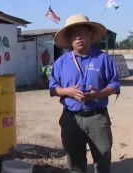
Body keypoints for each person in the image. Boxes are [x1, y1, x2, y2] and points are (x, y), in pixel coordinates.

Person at [49, 14, 120, 173]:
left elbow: (114, 85)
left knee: (103, 159)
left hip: (97, 117)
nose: (78, 37)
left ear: (90, 34)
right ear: (69, 39)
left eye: (82, 32)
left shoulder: (103, 59)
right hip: (71, 118)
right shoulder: (61, 62)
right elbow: (53, 88)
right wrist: (68, 91)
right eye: (74, 34)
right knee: (75, 162)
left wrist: (98, 94)